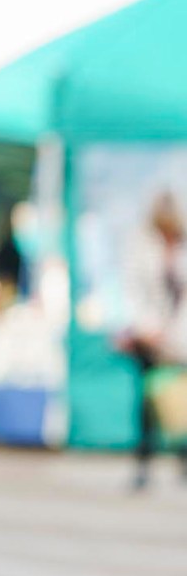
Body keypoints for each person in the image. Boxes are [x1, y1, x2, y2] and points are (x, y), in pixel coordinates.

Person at [117, 191, 187, 490]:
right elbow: (133, 288)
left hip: (180, 335)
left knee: (182, 401)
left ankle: (183, 460)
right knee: (148, 401)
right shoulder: (142, 244)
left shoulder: (181, 246)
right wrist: (146, 328)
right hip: (151, 336)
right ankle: (144, 462)